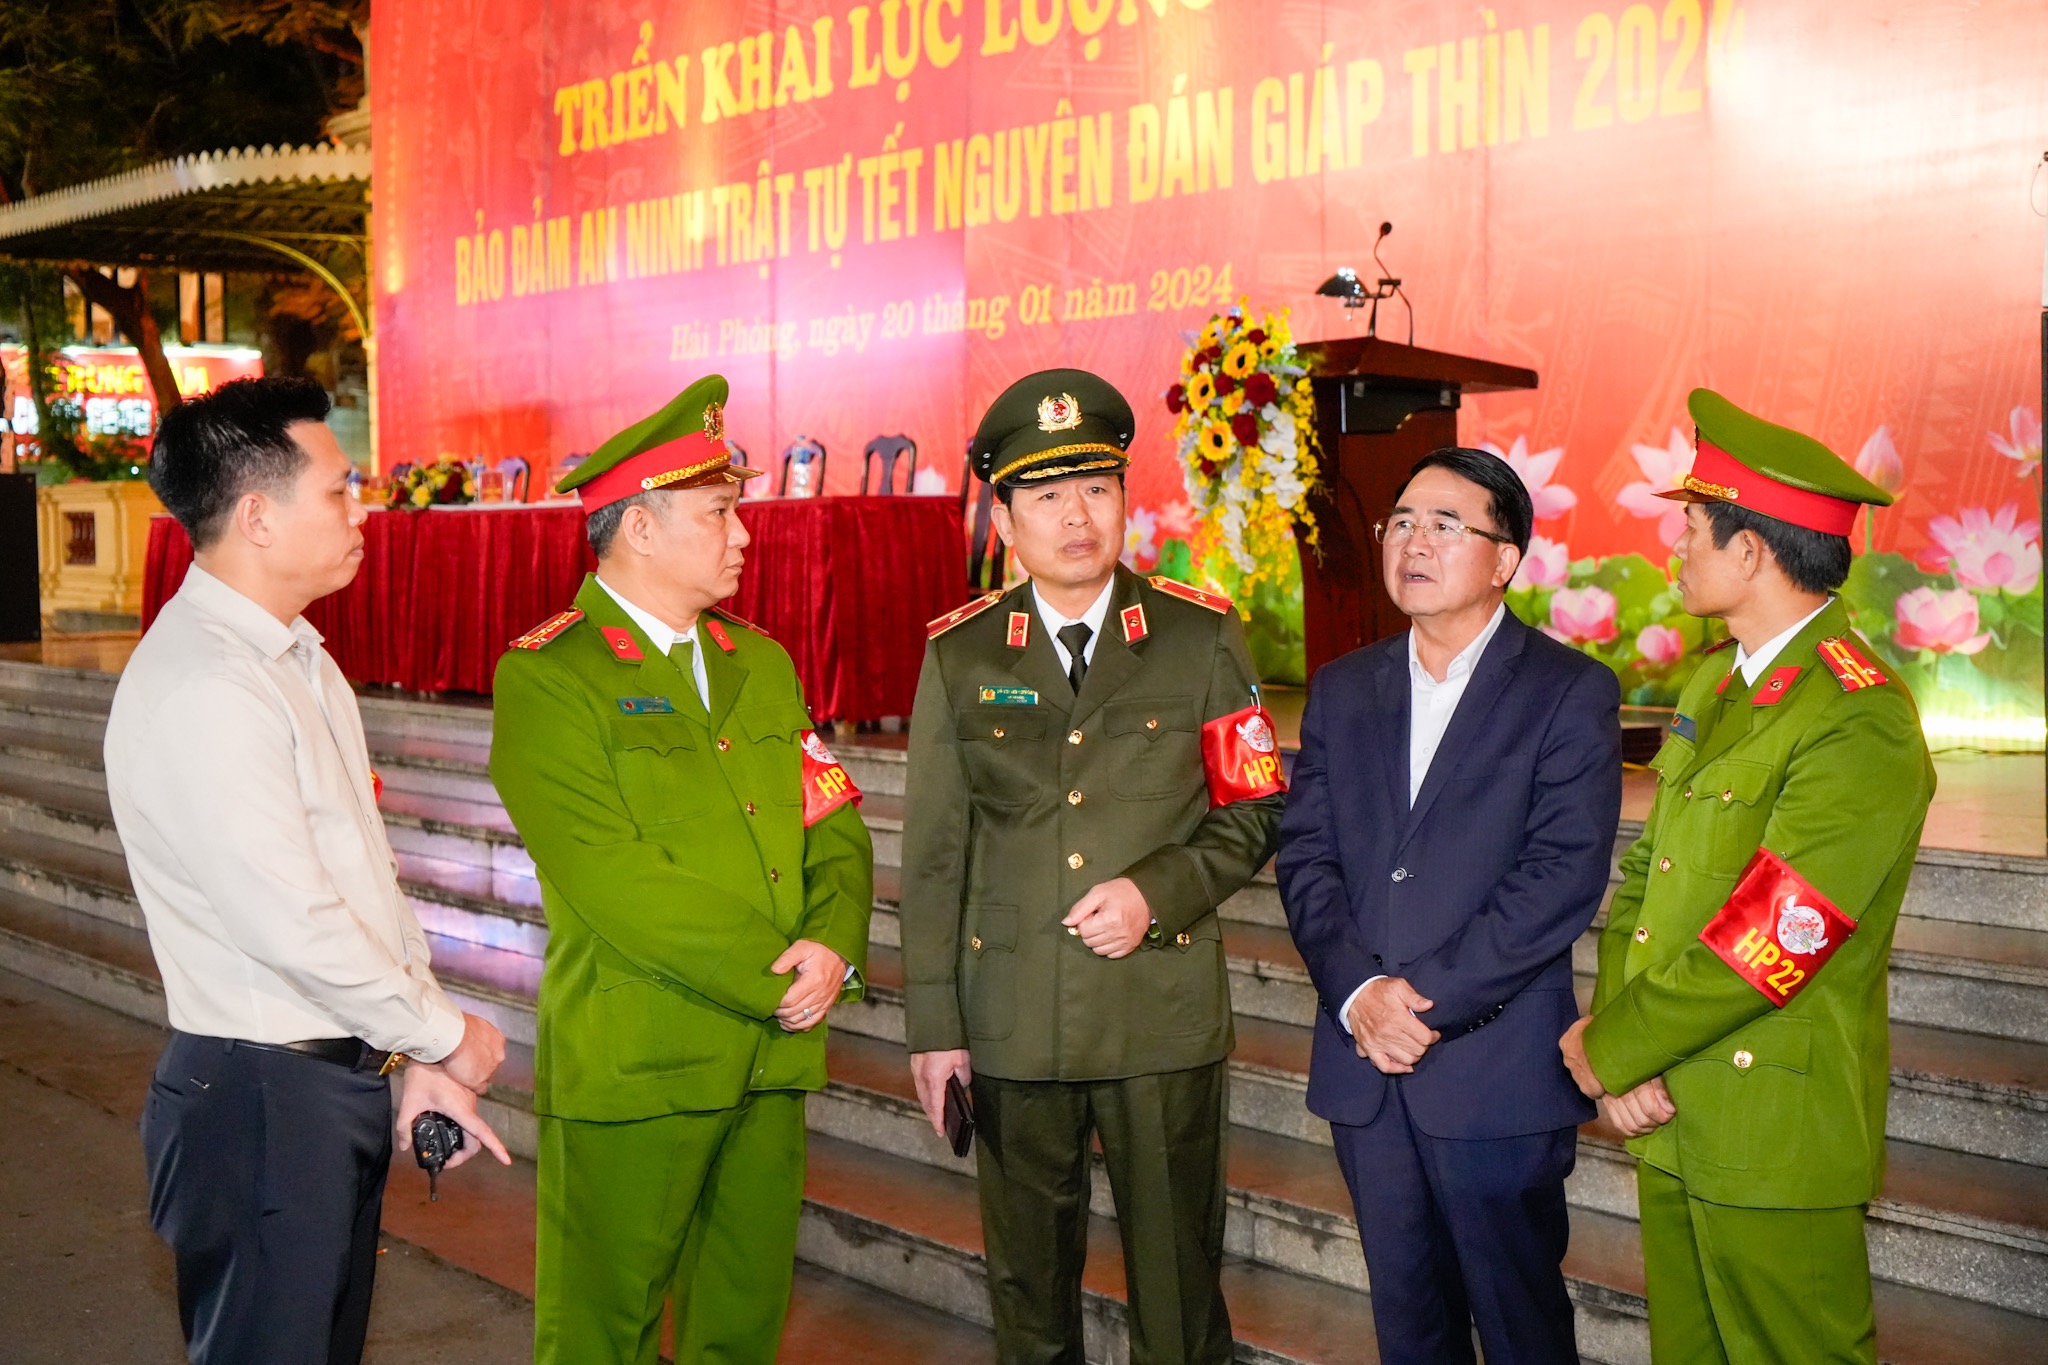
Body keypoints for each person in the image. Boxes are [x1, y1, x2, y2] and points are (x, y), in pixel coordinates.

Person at [104, 377, 509, 1365]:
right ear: (257, 516)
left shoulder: (297, 658)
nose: (359, 510)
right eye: (337, 491)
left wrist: (410, 1049)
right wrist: (444, 1033)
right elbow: (291, 919)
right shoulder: (211, 682)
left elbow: (360, 877)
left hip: (318, 1087)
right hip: (261, 1100)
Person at [900, 369, 1285, 1364]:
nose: (1077, 516)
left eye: (1096, 488)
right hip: (1012, 1019)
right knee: (1028, 1298)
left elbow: (1253, 807)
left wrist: (1157, 892)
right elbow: (935, 857)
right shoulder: (961, 655)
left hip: (1156, 1012)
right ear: (1005, 519)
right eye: (1047, 495)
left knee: (1178, 1291)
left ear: (1123, 498)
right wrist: (935, 1028)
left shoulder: (1199, 636)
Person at [489, 375, 874, 1364]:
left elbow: (832, 823)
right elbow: (611, 877)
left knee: (739, 1328)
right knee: (600, 1335)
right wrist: (776, 973)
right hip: (641, 1060)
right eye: (717, 513)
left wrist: (832, 941)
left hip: (771, 1056)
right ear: (640, 527)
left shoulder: (761, 661)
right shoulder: (551, 675)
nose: (742, 535)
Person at [1559, 389, 1935, 1364]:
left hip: (1772, 1130)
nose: (1674, 547)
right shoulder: (1718, 682)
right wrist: (1623, 1048)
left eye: (1690, 527)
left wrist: (1614, 1043)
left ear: (1751, 550)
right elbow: (1645, 880)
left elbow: (1773, 939)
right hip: (1672, 1109)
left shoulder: (1857, 716)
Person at [1275, 447, 1620, 1365]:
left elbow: (1559, 877)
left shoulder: (1568, 690)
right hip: (1366, 1069)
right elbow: (1305, 855)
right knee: (1409, 1326)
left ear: (1504, 559)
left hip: (1492, 1069)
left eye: (1444, 524)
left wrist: (1418, 1003)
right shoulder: (1344, 686)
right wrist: (1359, 994)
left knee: (1519, 1326)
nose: (1414, 542)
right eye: (1401, 522)